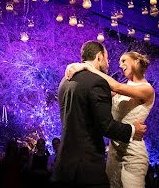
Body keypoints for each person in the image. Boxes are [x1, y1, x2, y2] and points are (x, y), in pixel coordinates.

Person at [53, 41, 147, 188]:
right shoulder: (97, 82)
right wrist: (133, 129)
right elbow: (106, 126)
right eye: (107, 59)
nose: (109, 64)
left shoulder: (65, 80)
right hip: (87, 168)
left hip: (64, 167)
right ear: (99, 57)